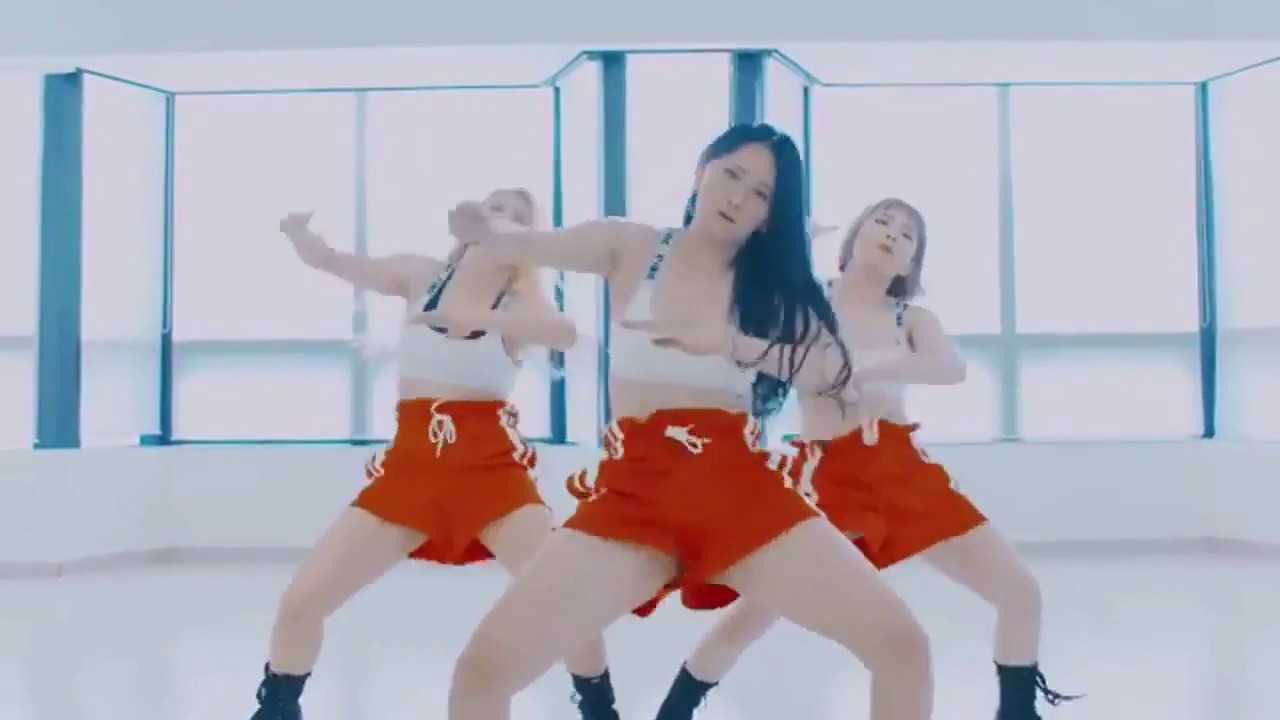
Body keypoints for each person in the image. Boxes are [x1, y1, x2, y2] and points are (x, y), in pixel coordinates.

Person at [444, 124, 935, 720]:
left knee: (903, 646)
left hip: (741, 490)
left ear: (769, 216)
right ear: (703, 170)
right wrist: (484, 228)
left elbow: (834, 371)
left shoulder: (772, 288)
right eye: (731, 175)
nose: (737, 197)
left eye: (760, 193)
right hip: (637, 493)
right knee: (483, 671)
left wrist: (730, 342)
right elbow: (533, 242)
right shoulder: (631, 245)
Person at [651, 198, 1080, 720]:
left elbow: (948, 367)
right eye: (882, 222)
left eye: (907, 235)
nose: (892, 234)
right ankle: (673, 712)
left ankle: (1018, 712)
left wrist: (865, 365)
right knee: (751, 618)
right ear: (854, 236)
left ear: (910, 263)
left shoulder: (911, 318)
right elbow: (743, 320)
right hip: (826, 482)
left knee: (1020, 593)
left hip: (901, 473)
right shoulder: (807, 301)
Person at [248, 189, 618, 720]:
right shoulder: (421, 276)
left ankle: (599, 707)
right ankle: (278, 707)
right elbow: (335, 262)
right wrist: (299, 234)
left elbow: (562, 333)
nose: (501, 220)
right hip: (411, 471)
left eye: (518, 219)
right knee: (301, 602)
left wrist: (480, 315)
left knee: (566, 601)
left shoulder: (520, 301)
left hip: (491, 474)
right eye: (494, 208)